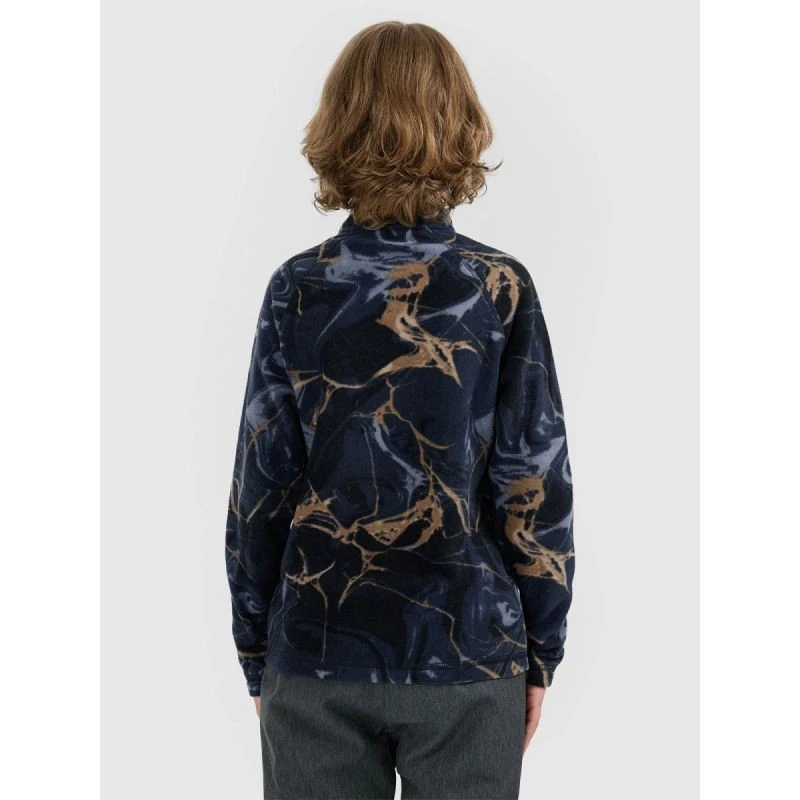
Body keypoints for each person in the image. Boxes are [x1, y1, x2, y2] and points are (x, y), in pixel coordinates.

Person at [224, 20, 576, 800]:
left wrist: (257, 651)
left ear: (338, 126)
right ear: (460, 125)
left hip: (318, 647)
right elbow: (534, 485)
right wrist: (539, 651)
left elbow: (261, 488)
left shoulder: (299, 288)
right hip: (468, 653)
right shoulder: (496, 288)